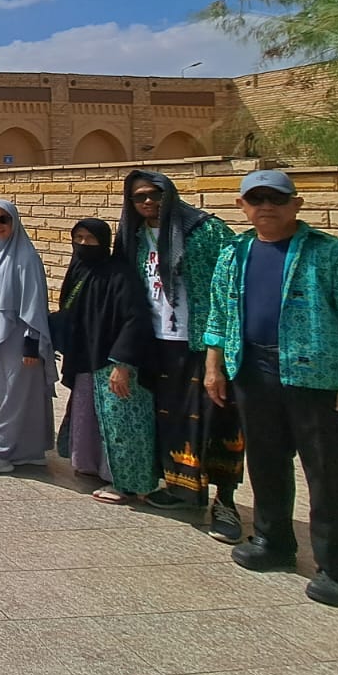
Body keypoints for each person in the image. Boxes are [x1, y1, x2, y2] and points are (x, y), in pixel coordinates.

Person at [206, 169, 338, 607]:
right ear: (242, 206)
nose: (266, 207)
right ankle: (273, 542)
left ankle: (335, 569)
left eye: (276, 198)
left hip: (316, 378)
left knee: (328, 475)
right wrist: (214, 368)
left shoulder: (332, 254)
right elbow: (219, 316)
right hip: (253, 371)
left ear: (296, 204)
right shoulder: (234, 253)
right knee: (266, 462)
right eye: (257, 199)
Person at [117, 169, 243, 543]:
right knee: (172, 422)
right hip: (159, 343)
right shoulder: (134, 236)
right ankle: (180, 490)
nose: (148, 202)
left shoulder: (205, 231)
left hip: (204, 343)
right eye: (139, 197)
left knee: (217, 423)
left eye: (155, 194)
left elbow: (231, 289)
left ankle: (226, 502)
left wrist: (221, 349)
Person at [54, 219, 158, 505]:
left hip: (113, 362)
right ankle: (93, 467)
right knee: (88, 416)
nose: (83, 244)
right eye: (78, 238)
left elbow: (134, 318)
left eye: (91, 239)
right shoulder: (79, 270)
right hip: (86, 358)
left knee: (120, 423)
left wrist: (122, 363)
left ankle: (126, 483)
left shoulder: (119, 274)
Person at [0, 200, 56, 476]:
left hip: (20, 338)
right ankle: (29, 450)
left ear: (14, 222)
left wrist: (32, 343)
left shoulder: (25, 257)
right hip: (0, 335)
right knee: (20, 394)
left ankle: (0, 453)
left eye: (3, 219)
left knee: (13, 396)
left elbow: (34, 302)